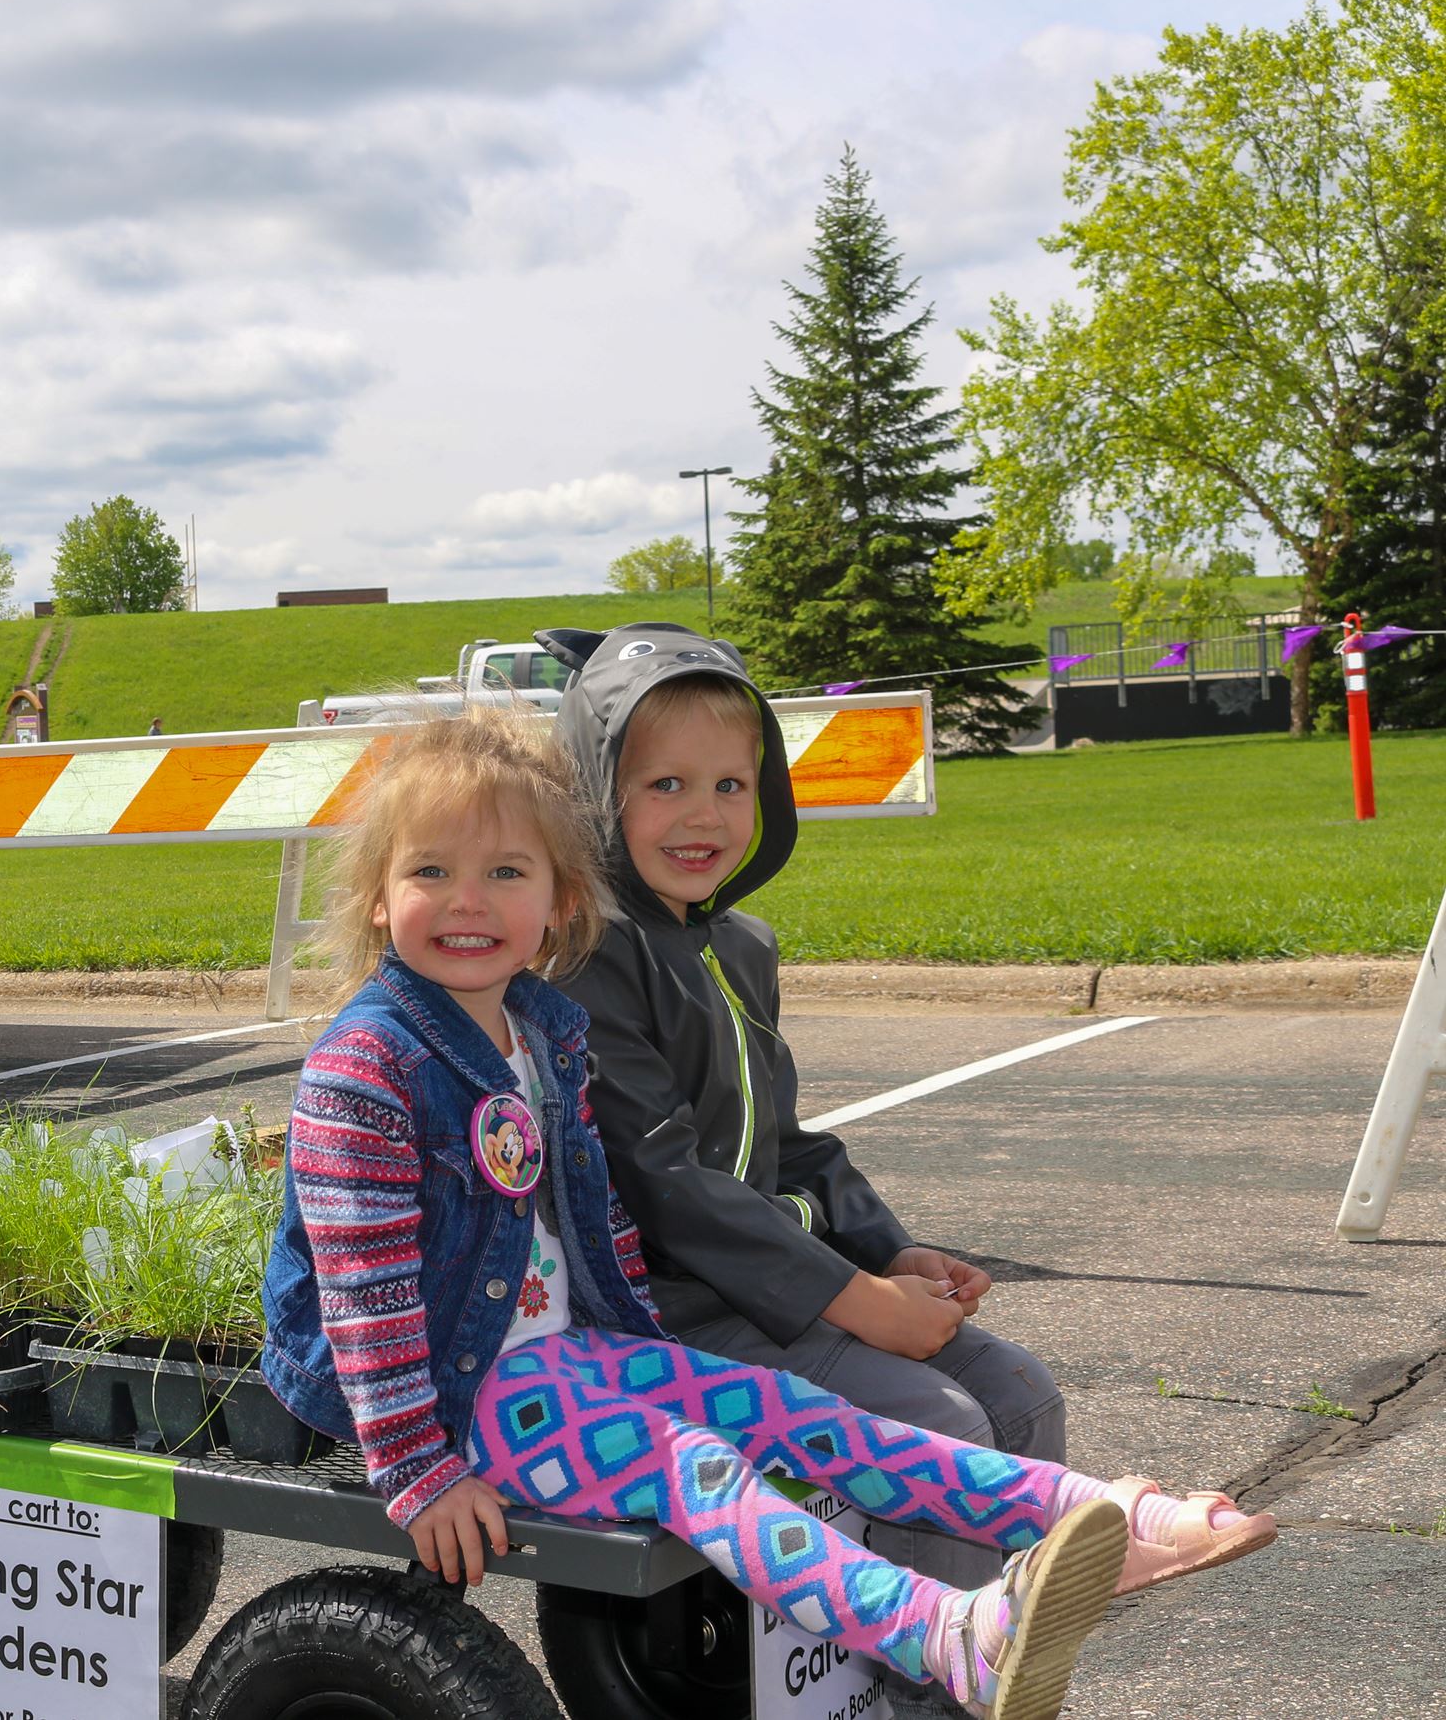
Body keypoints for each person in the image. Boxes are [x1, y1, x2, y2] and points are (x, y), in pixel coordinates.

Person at [258, 710, 1275, 1719]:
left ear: (561, 901)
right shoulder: (367, 1065)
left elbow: (593, 1219)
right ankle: (941, 1634)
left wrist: (667, 1368)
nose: (465, 902)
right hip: (454, 1396)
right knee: (695, 1464)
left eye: (505, 874)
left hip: (556, 1358)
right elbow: (364, 1295)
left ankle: (1103, 1516)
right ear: (377, 893)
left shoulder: (536, 1029)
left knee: (792, 1411)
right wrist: (416, 1472)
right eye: (429, 871)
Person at [550, 624, 1083, 1609]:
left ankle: (1001, 1664)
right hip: (669, 1312)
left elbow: (787, 1144)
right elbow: (672, 1190)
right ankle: (924, 1682)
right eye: (661, 785)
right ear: (594, 794)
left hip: (775, 1290)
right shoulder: (592, 958)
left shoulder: (738, 944)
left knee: (1021, 1397)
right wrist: (859, 1302)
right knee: (944, 1427)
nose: (699, 814)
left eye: (728, 784)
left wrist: (885, 1251)